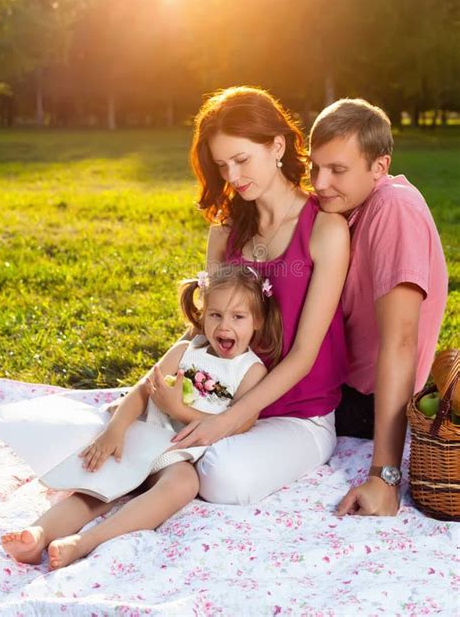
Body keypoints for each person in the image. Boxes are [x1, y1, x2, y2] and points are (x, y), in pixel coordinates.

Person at [174, 95, 448, 517]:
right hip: (275, 385)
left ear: (380, 166)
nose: (319, 184)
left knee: (216, 468)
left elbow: (403, 342)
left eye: (337, 170)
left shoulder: (393, 208)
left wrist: (385, 475)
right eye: (317, 167)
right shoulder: (337, 211)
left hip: (360, 401)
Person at [1, 265, 275, 570]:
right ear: (203, 314)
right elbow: (143, 390)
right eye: (216, 315)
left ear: (257, 322)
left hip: (178, 455)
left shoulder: (251, 371)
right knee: (98, 483)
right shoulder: (186, 349)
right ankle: (39, 533)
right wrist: (116, 430)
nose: (225, 326)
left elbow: (241, 423)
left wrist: (180, 411)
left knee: (184, 484)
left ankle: (85, 542)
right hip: (145, 435)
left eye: (238, 317)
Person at [175, 85, 350, 506]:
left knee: (220, 475)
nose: (232, 177)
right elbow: (206, 330)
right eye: (222, 165)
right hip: (218, 397)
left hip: (298, 416)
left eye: (241, 160)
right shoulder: (224, 232)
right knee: (130, 438)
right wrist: (156, 385)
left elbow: (304, 355)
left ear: (276, 145)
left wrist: (223, 425)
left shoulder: (326, 230)